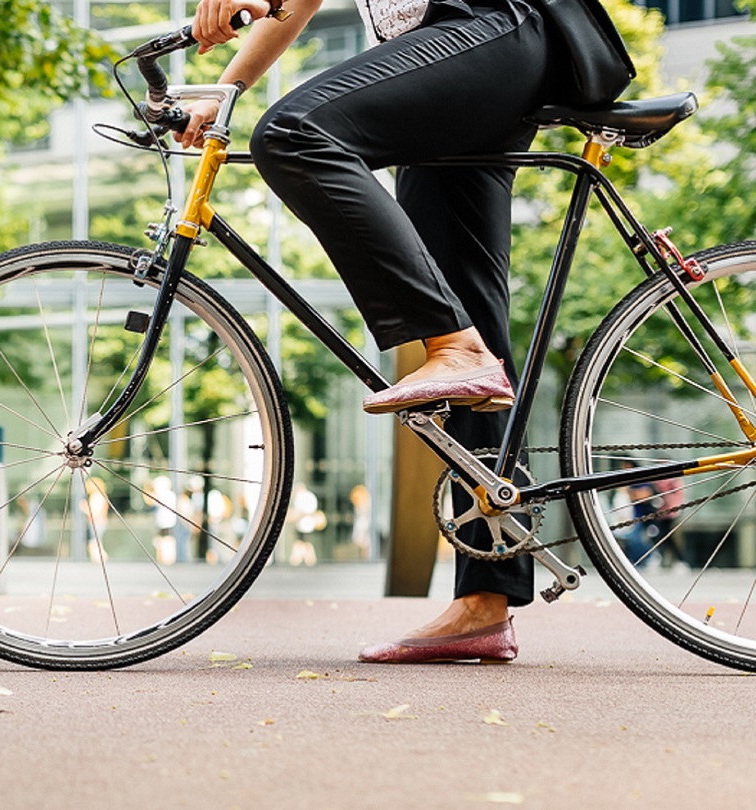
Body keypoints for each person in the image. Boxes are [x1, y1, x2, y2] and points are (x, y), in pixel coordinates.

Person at [186, 0, 562, 662]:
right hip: (456, 55)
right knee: (472, 316)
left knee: (294, 131)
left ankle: (454, 346)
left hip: (491, 28)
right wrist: (227, 91)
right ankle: (486, 601)